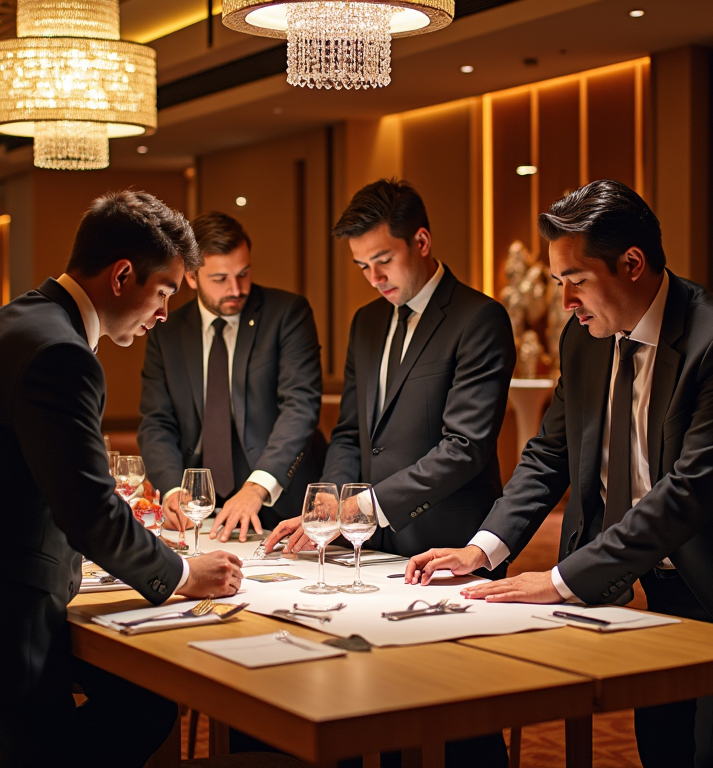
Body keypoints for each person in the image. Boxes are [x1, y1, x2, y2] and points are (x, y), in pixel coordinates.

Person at [405, 180, 713, 768]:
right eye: (558, 283)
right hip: (657, 587)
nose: (565, 303)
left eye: (576, 281)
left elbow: (687, 493)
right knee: (660, 748)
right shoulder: (586, 340)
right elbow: (549, 454)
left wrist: (557, 580)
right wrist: (483, 548)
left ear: (632, 264)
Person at [0, 191, 244, 768]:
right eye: (162, 292)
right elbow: (86, 511)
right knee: (142, 706)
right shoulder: (61, 353)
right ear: (123, 274)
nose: (163, 314)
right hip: (5, 619)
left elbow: (45, 485)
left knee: (144, 692)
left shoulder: (15, 319)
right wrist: (182, 573)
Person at [266, 178, 515, 768]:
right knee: (367, 703)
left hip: (449, 543)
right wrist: (329, 507)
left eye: (383, 260)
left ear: (422, 241)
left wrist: (361, 507)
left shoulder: (479, 319)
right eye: (362, 266)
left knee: (456, 722)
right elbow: (351, 430)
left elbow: (464, 447)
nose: (374, 277)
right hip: (370, 545)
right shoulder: (366, 323)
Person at [138, 211, 323, 543]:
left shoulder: (288, 314)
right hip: (201, 511)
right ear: (191, 277)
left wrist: (257, 487)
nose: (236, 289)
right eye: (220, 278)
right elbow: (157, 421)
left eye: (243, 273)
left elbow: (300, 407)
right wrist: (174, 491)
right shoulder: (167, 331)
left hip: (280, 505)